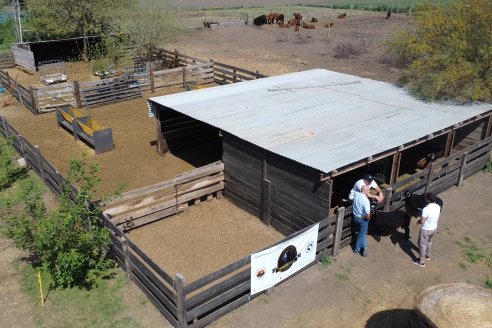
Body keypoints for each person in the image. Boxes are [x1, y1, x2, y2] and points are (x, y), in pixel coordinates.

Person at [414, 192, 441, 267]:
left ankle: (421, 262)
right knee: (429, 242)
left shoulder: (426, 209)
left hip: (426, 229)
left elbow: (422, 221)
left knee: (422, 245)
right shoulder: (438, 206)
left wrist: (418, 221)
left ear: (428, 200)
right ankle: (427, 255)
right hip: (434, 228)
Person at [352, 185, 371, 257]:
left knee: (361, 233)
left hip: (355, 217)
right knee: (362, 234)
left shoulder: (356, 194)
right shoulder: (366, 201)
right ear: (365, 191)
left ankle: (365, 246)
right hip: (362, 219)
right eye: (369, 190)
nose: (369, 191)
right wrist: (368, 218)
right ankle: (357, 250)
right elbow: (367, 214)